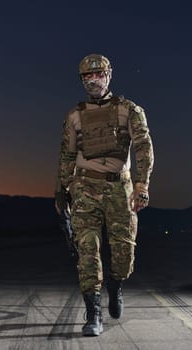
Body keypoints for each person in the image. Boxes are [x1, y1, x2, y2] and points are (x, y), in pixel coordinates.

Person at [54, 53, 154, 336]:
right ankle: (93, 313)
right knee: (87, 251)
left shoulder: (129, 110)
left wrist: (141, 185)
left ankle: (116, 284)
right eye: (87, 76)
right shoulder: (74, 115)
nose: (93, 80)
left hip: (119, 189)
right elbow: (66, 154)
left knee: (123, 251)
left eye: (98, 75)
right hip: (85, 188)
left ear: (109, 75)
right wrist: (62, 189)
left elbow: (144, 147)